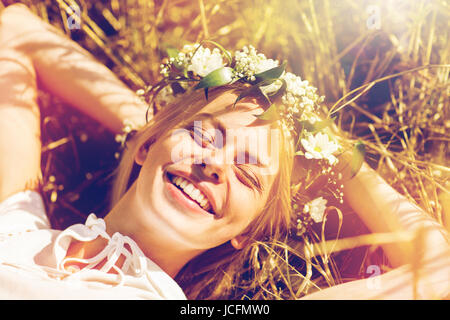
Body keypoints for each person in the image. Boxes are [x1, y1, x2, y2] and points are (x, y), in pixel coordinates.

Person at [0, 4, 448, 300]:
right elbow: (15, 30)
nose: (214, 163)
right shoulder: (15, 223)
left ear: (246, 235)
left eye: (248, 174)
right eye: (203, 136)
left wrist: (331, 148)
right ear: (147, 144)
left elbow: (438, 272)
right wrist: (155, 130)